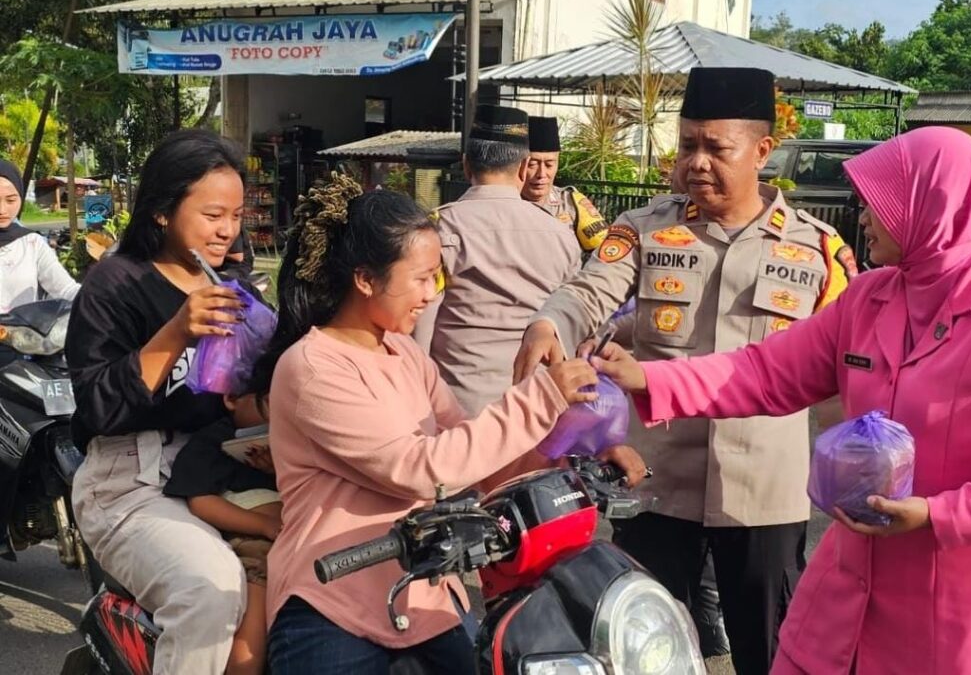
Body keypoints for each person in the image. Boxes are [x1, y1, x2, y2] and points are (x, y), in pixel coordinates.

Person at [591, 126, 971, 674]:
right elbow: (767, 371)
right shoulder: (871, 297)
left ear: (933, 209)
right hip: (845, 594)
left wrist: (940, 515)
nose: (862, 218)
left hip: (960, 614)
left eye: (878, 206)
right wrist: (651, 380)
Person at [513, 67, 857, 675]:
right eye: (688, 144)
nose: (697, 162)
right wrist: (550, 323)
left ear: (762, 152)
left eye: (716, 148)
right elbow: (588, 292)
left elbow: (852, 360)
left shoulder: (818, 250)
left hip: (764, 498)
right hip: (655, 485)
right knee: (637, 646)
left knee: (772, 651)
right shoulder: (645, 229)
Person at [252, 174, 644, 674]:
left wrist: (577, 457)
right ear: (366, 279)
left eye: (436, 276)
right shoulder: (311, 368)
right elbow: (423, 468)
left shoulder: (405, 353)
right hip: (333, 603)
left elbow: (479, 458)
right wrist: (542, 396)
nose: (431, 293)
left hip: (426, 600)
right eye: (419, 278)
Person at [67, 129, 256, 674]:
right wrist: (177, 330)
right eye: (213, 214)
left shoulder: (236, 285)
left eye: (237, 215)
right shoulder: (114, 285)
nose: (227, 230)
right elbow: (99, 410)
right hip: (129, 482)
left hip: (220, 469)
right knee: (210, 591)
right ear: (161, 212)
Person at [412, 105, 583, 416]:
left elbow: (420, 330)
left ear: (466, 166)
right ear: (523, 168)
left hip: (458, 413)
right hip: (536, 412)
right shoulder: (561, 235)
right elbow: (571, 325)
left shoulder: (439, 229)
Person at [163, 392, 279, 675]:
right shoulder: (212, 441)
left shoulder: (286, 436)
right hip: (257, 541)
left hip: (295, 533)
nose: (276, 412)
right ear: (232, 399)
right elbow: (201, 500)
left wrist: (278, 469)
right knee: (256, 609)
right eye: (266, 402)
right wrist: (261, 525)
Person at [0, 158, 79, 312]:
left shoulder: (32, 244)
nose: (2, 210)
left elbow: (66, 290)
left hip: (22, 335)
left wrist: (103, 300)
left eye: (10, 200)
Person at [522, 116, 609, 255]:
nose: (542, 174)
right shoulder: (504, 201)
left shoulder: (570, 202)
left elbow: (605, 253)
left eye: (549, 164)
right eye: (532, 165)